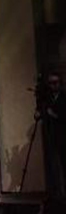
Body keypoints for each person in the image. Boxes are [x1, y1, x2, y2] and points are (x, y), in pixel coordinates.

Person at [43, 70, 66, 198]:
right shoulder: (48, 98)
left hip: (63, 137)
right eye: (51, 83)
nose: (53, 86)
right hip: (51, 137)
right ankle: (56, 194)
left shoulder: (64, 97)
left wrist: (54, 115)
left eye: (55, 83)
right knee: (53, 167)